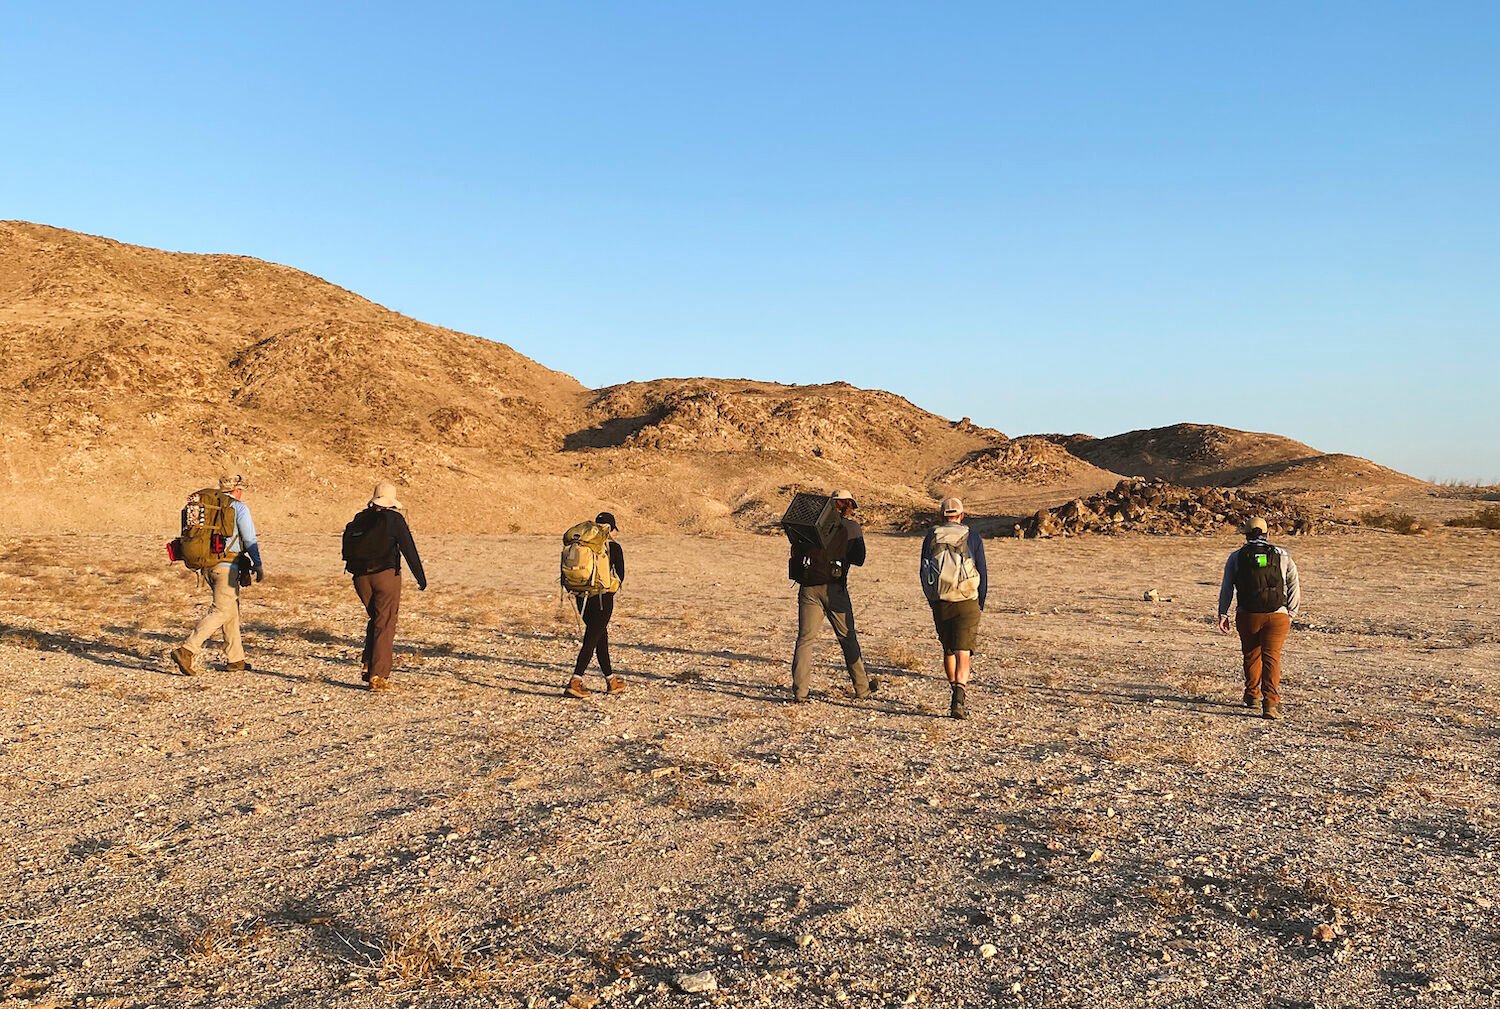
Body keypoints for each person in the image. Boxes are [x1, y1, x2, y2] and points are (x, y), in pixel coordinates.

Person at [171, 474, 263, 676]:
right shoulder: (238, 507)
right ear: (236, 490)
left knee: (231, 609)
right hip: (226, 566)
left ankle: (235, 659)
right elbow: (249, 539)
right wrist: (258, 564)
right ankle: (187, 650)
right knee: (222, 609)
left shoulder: (207, 507)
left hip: (207, 565)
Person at [342, 481, 427, 692]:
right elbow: (408, 547)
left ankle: (368, 664)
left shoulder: (360, 518)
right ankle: (378, 675)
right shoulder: (394, 519)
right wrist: (420, 577)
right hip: (386, 575)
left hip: (360, 578)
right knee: (386, 622)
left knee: (376, 619)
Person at [789, 489, 872, 702]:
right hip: (834, 588)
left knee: (805, 639)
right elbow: (859, 558)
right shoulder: (851, 527)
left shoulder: (811, 526)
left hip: (808, 587)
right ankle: (862, 689)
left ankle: (800, 692)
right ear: (848, 505)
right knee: (847, 637)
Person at [1217, 516, 1300, 719]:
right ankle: (1270, 703)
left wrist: (1223, 612)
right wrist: (1291, 613)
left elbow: (1227, 586)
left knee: (1251, 655)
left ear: (1245, 536)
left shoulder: (1236, 557)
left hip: (1248, 615)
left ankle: (1252, 696)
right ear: (1267, 534)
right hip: (1277, 615)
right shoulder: (1283, 555)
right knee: (1272, 658)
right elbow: (1293, 585)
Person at [919, 497, 987, 719]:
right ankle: (958, 697)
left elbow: (924, 571)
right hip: (967, 599)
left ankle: (953, 690)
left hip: (941, 600)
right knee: (963, 652)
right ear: (962, 515)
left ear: (941, 515)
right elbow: (983, 572)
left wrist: (932, 599)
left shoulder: (932, 536)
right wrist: (980, 601)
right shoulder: (972, 537)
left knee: (948, 649)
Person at [563, 512, 626, 698]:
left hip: (580, 595)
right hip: (602, 598)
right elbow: (620, 576)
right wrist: (611, 590)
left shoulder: (582, 544)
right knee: (591, 639)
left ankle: (611, 680)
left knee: (600, 636)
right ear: (611, 529)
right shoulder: (613, 548)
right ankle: (576, 680)